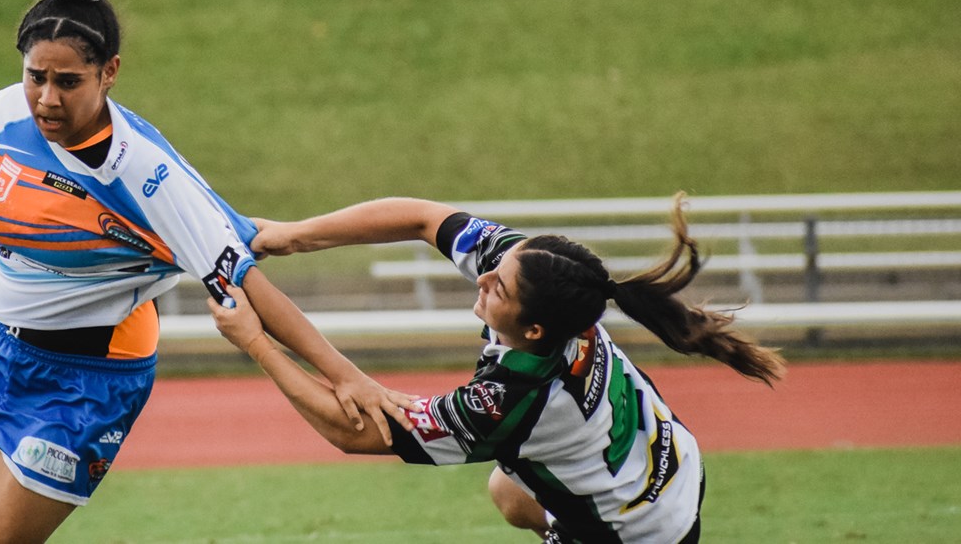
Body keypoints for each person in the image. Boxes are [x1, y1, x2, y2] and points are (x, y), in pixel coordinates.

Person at [0, 0, 414, 542]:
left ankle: (12, 511)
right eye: (36, 77)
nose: (47, 98)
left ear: (110, 72)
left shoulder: (146, 175)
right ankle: (9, 511)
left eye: (69, 81)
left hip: (85, 385)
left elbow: (248, 286)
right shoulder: (6, 110)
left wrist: (347, 375)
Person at [210, 193, 786, 543]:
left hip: (638, 533)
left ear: (533, 331)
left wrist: (256, 343)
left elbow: (354, 431)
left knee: (512, 490)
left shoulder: (514, 401)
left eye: (499, 287)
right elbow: (422, 218)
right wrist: (289, 238)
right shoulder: (539, 273)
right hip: (668, 463)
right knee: (509, 493)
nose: (484, 278)